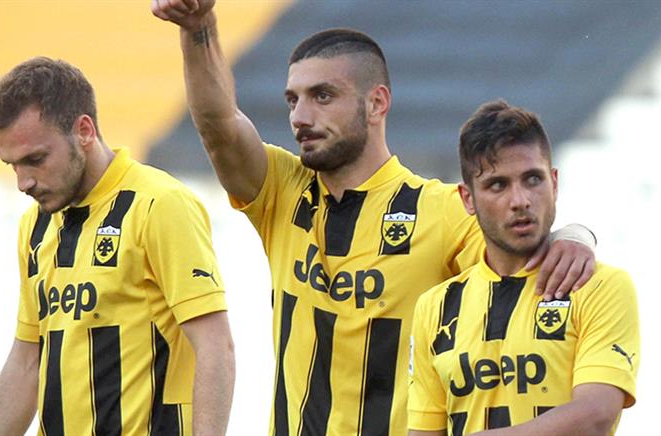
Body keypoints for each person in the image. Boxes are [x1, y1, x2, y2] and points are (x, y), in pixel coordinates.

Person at [152, 1, 597, 434]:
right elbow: (218, 125)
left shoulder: (439, 210)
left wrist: (575, 235)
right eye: (292, 100)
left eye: (322, 96)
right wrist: (198, 27)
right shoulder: (282, 191)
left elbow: (523, 252)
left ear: (376, 104)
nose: (300, 117)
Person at [0, 57, 235, 436]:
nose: (23, 182)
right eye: (12, 165)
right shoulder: (36, 225)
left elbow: (215, 346)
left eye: (36, 159)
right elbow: (28, 358)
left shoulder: (158, 204)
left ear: (84, 130)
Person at [408, 100, 640, 436]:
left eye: (532, 179)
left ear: (554, 183)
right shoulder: (435, 306)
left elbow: (595, 416)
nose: (520, 200)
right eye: (498, 185)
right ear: (468, 199)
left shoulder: (600, 285)